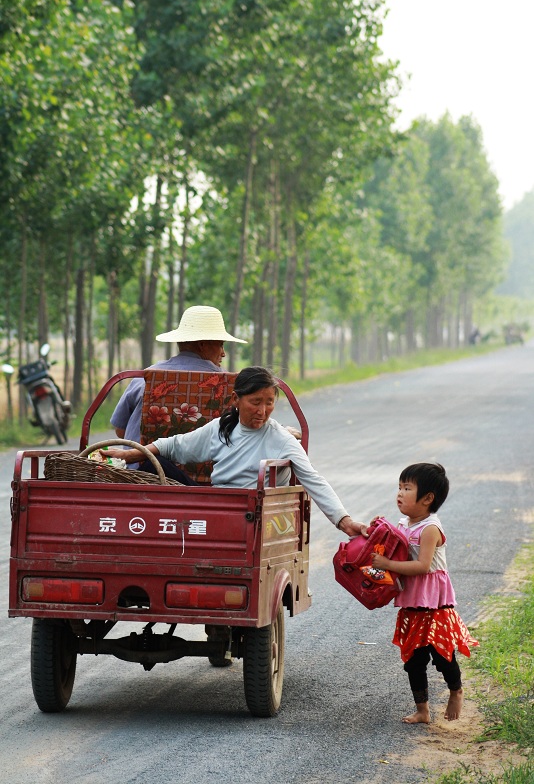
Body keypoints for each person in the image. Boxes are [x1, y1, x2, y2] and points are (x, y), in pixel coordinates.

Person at [103, 366, 368, 538]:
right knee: (154, 461)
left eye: (269, 403)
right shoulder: (221, 428)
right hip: (212, 508)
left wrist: (344, 522)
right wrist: (129, 454)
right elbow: (175, 445)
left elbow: (313, 479)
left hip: (249, 517)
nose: (262, 411)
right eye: (255, 402)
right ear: (235, 400)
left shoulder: (282, 439)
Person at [370, 462, 478, 724]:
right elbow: (392, 544)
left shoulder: (430, 528)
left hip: (435, 604)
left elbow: (422, 566)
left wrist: (388, 566)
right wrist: (376, 530)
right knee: (413, 660)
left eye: (407, 488)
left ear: (427, 498)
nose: (399, 493)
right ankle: (423, 709)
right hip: (413, 603)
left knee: (442, 655)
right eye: (399, 487)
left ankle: (456, 690)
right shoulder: (404, 522)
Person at [110, 305, 247, 445]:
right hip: (211, 466)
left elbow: (121, 431)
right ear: (202, 345)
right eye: (221, 345)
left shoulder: (145, 378)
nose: (223, 353)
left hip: (142, 465)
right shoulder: (228, 385)